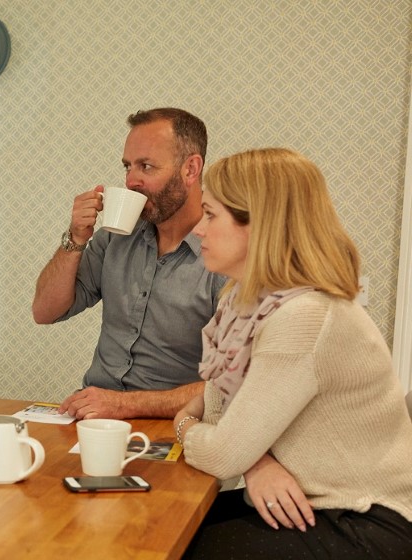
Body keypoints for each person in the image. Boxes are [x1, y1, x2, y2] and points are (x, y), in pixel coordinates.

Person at [175, 148, 412, 558]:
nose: (198, 228)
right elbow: (219, 416)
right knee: (166, 524)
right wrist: (257, 464)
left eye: (211, 214)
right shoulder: (241, 302)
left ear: (259, 224)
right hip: (309, 500)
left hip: (366, 517)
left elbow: (221, 450)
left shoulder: (306, 316)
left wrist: (183, 423)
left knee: (177, 546)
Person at [32, 108, 226, 419]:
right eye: (127, 167)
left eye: (146, 167)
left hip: (176, 425)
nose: (131, 181)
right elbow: (44, 311)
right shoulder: (118, 235)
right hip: (94, 416)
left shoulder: (226, 251)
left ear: (191, 169)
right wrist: (76, 238)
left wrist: (124, 405)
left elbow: (233, 385)